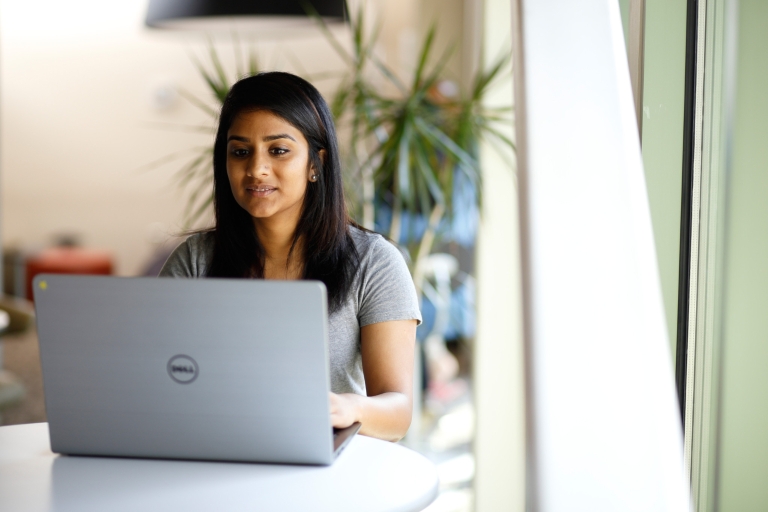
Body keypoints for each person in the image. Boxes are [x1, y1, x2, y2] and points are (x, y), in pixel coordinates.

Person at [159, 72, 422, 442]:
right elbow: (158, 385)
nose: (256, 169)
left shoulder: (374, 263)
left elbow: (398, 413)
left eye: (278, 150)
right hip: (216, 461)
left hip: (325, 475)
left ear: (316, 163)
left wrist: (350, 407)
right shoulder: (194, 262)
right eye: (240, 151)